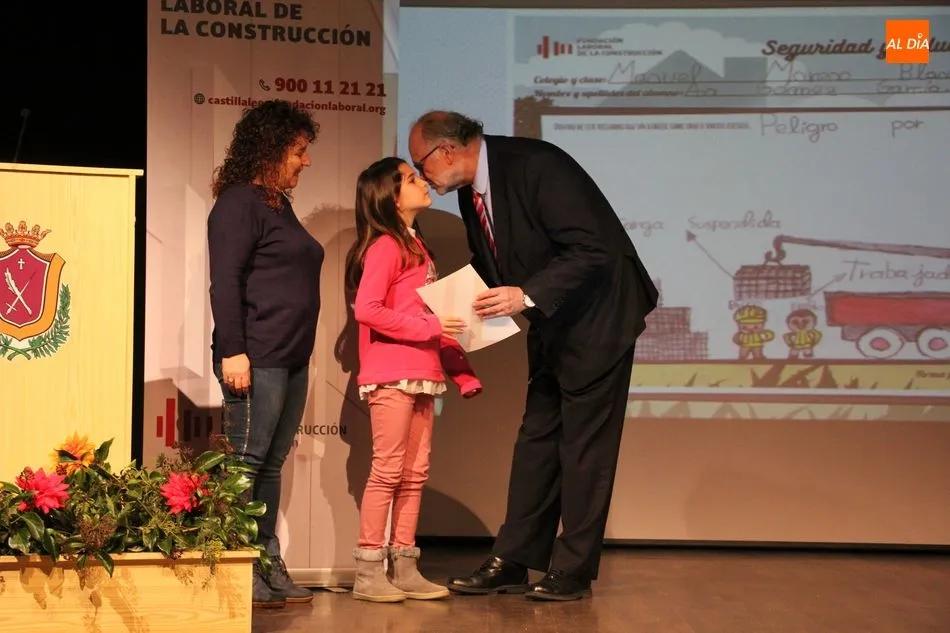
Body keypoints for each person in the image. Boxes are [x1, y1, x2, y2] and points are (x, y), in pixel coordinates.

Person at [407, 111, 658, 601]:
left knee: (584, 448)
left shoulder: (537, 165)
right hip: (553, 321)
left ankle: (573, 569)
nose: (423, 174)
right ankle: (514, 559)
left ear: (448, 150)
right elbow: (496, 263)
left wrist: (524, 295)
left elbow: (592, 249)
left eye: (422, 163)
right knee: (537, 441)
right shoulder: (470, 193)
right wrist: (444, 307)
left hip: (600, 319)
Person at [344, 157, 483, 603]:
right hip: (391, 373)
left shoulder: (416, 246)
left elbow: (431, 317)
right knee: (387, 470)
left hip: (423, 373)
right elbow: (368, 309)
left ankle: (404, 567)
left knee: (414, 473)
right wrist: (430, 327)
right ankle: (369, 570)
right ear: (389, 197)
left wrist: (461, 372)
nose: (421, 182)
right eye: (409, 179)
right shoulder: (386, 246)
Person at [207, 99, 323, 609]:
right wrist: (234, 350)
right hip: (256, 355)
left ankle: (266, 561)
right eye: (298, 151)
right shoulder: (238, 203)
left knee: (270, 465)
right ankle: (238, 568)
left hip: (291, 355)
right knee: (246, 466)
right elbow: (225, 281)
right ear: (271, 149)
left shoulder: (277, 203)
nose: (306, 161)